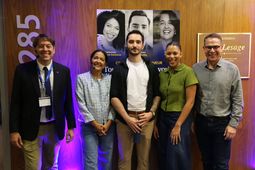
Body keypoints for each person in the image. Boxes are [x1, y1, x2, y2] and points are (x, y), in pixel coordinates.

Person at [9, 34, 76, 170]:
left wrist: (71, 126)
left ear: (54, 49)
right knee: (33, 167)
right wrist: (14, 130)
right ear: (35, 50)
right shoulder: (22, 70)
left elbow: (68, 100)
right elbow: (15, 103)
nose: (45, 49)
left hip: (54, 127)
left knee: (52, 165)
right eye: (41, 46)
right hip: (30, 128)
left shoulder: (63, 71)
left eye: (48, 46)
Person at [110, 30, 160, 170]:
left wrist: (151, 113)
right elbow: (113, 97)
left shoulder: (151, 68)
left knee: (144, 162)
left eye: (138, 42)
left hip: (146, 121)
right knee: (124, 161)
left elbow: (157, 94)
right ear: (126, 44)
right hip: (124, 121)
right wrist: (127, 118)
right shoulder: (119, 69)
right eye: (131, 42)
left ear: (143, 45)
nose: (134, 45)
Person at [192, 33, 244, 170]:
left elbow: (238, 99)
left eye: (216, 47)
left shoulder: (232, 69)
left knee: (221, 164)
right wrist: (192, 121)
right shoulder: (195, 69)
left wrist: (233, 124)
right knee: (206, 161)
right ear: (203, 48)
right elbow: (192, 98)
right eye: (209, 47)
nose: (212, 50)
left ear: (222, 47)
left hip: (222, 124)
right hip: (201, 122)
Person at [153, 42, 198, 170]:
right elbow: (159, 98)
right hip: (163, 118)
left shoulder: (188, 72)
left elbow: (190, 102)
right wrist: (156, 123)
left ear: (181, 54)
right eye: (169, 53)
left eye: (175, 53)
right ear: (165, 55)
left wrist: (178, 125)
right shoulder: (162, 74)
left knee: (177, 155)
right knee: (163, 153)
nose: (171, 56)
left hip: (180, 118)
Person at [76, 49, 115, 170]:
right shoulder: (81, 78)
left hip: (108, 127)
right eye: (96, 58)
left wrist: (108, 123)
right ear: (91, 60)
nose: (98, 61)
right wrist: (95, 124)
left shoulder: (110, 79)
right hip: (89, 127)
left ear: (105, 64)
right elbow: (80, 104)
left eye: (102, 59)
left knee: (106, 161)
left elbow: (115, 102)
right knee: (90, 161)